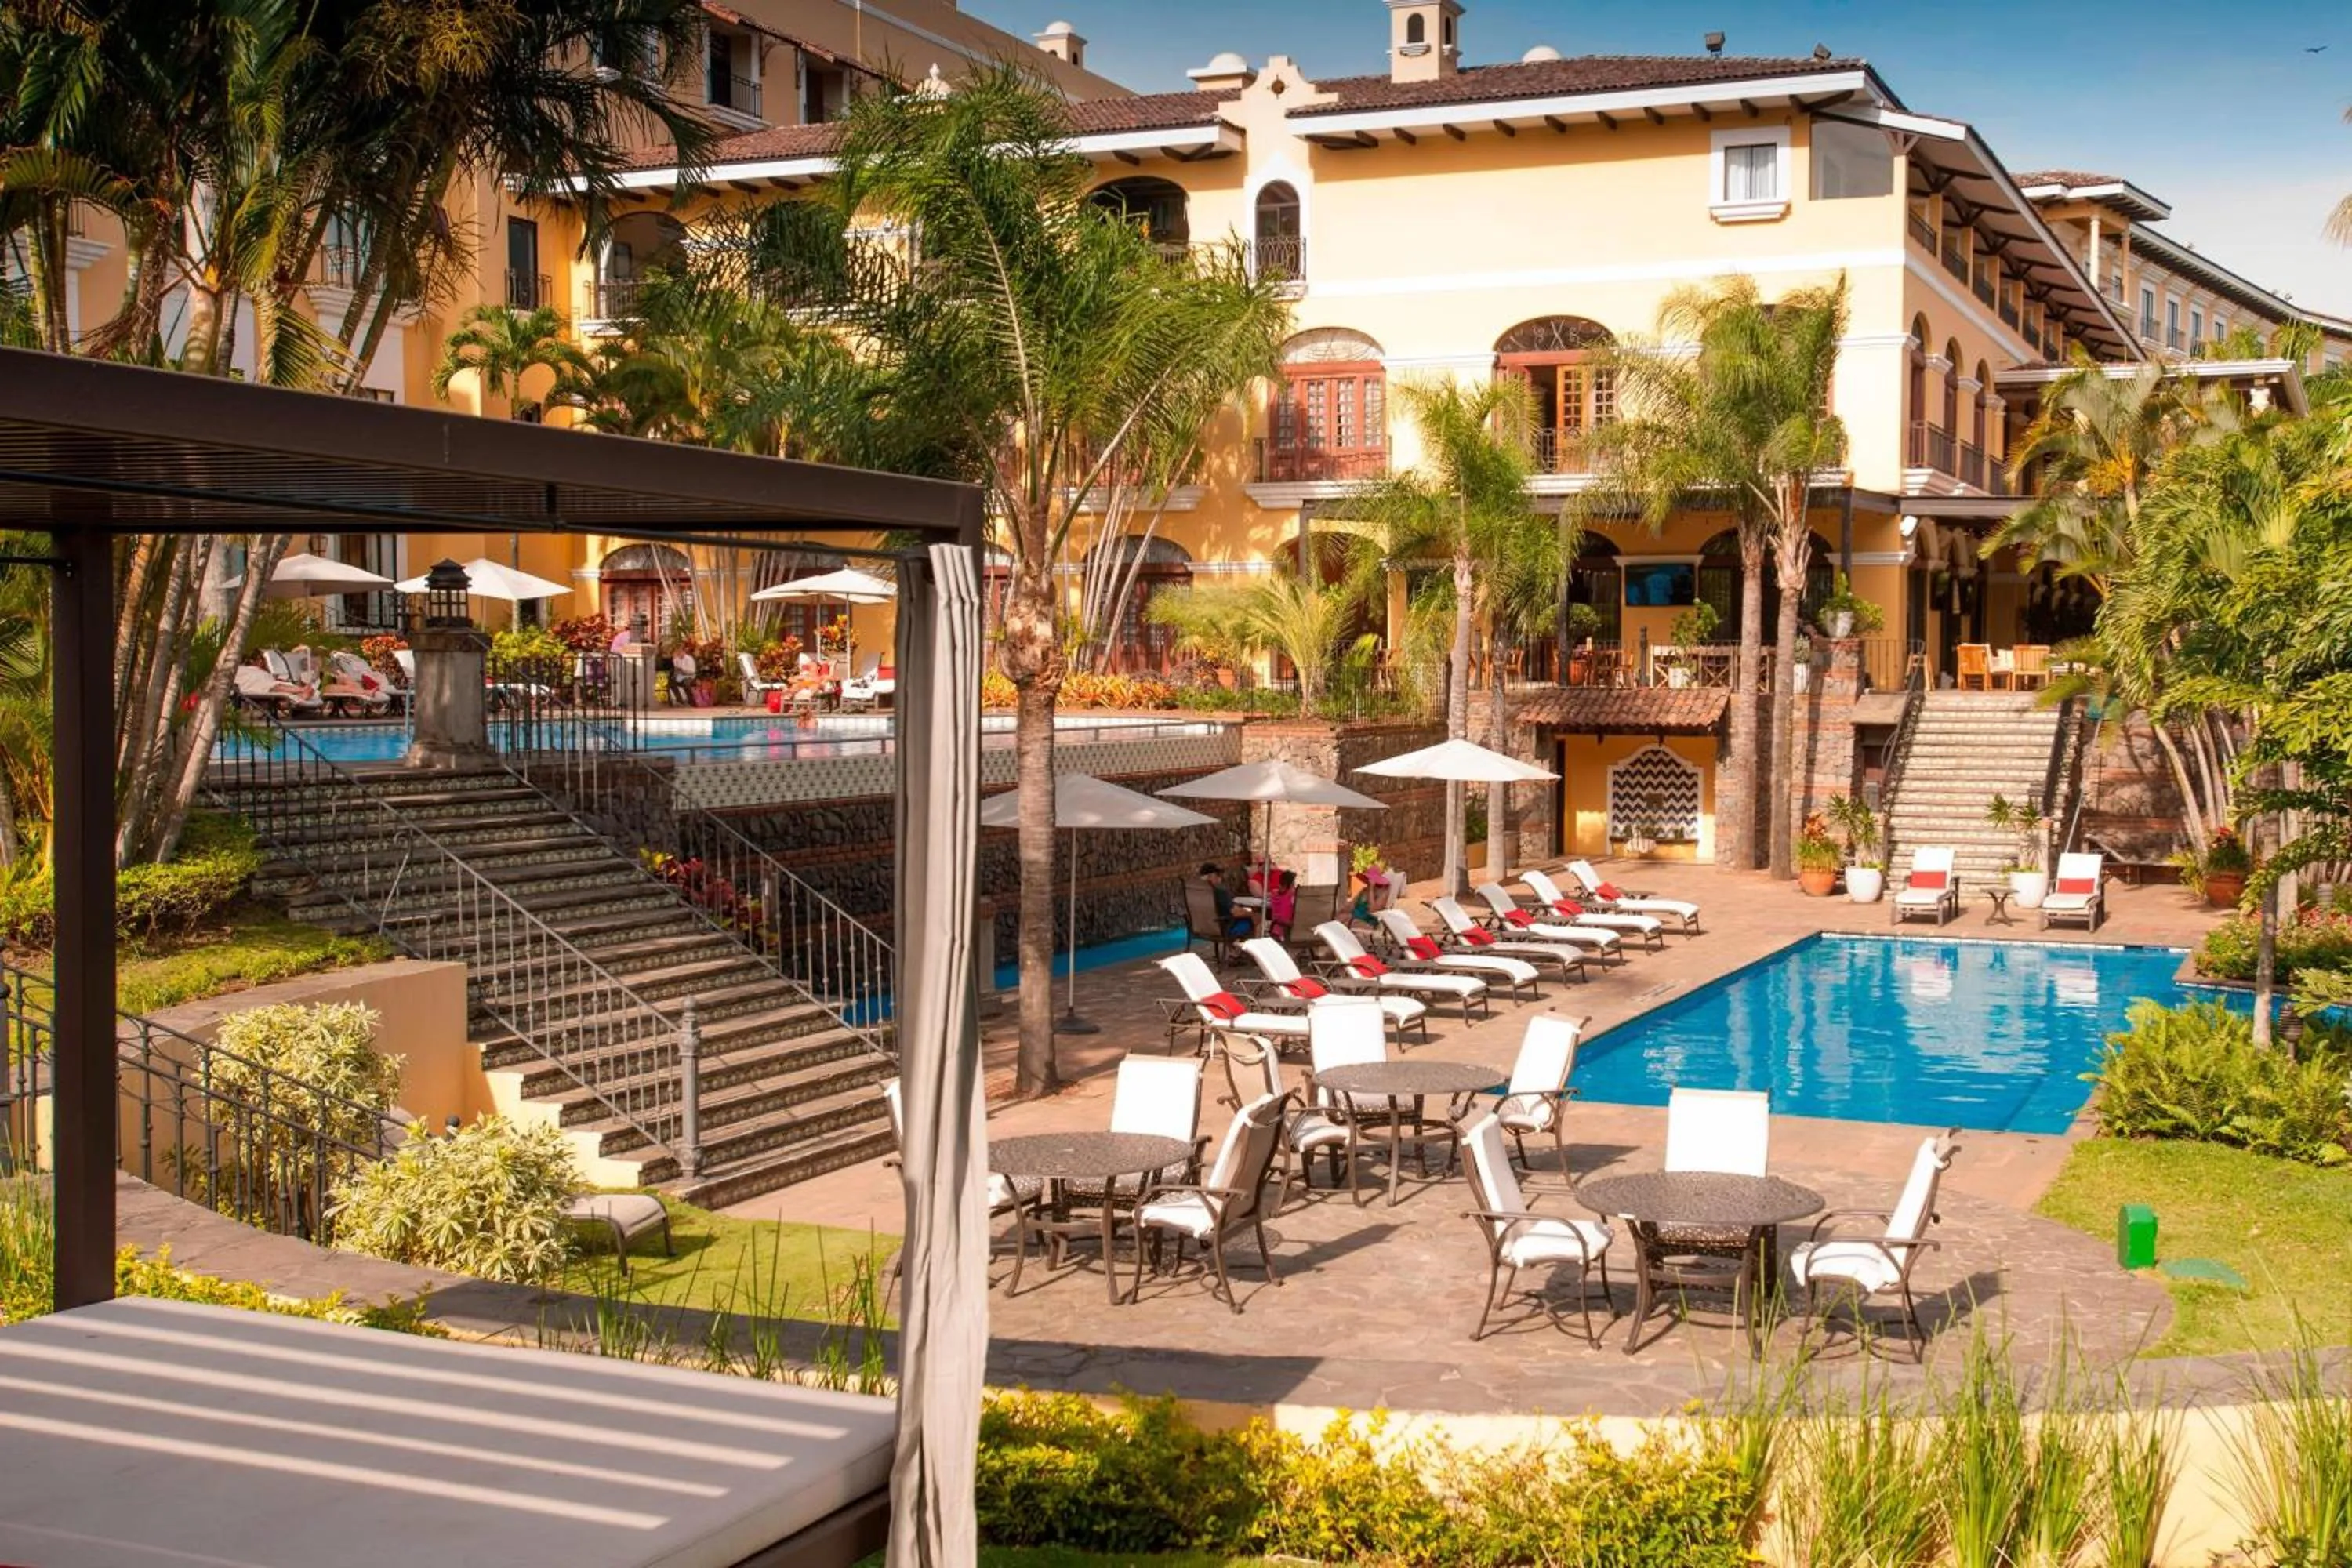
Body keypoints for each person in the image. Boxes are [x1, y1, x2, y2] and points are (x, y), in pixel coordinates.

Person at [1198, 862, 1255, 941]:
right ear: (1211, 876)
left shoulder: (1197, 893)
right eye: (1218, 875)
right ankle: (1243, 950)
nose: (1220, 878)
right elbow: (1236, 913)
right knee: (1255, 920)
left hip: (1202, 929)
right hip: (1224, 929)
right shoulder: (1220, 892)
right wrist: (1253, 914)